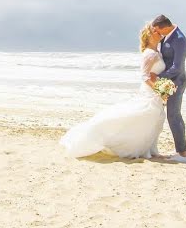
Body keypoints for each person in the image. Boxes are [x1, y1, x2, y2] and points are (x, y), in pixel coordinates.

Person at [59, 24, 168, 159]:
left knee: (154, 119)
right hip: (150, 91)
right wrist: (160, 90)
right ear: (149, 36)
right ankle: (108, 137)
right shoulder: (149, 54)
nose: (158, 32)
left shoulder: (158, 52)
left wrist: (163, 87)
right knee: (144, 116)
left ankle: (151, 151)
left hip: (155, 91)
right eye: (154, 31)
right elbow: (145, 76)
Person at [147, 14, 186, 163]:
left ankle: (183, 153)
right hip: (168, 82)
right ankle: (181, 149)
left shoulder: (178, 39)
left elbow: (177, 67)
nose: (158, 33)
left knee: (173, 116)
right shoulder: (167, 36)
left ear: (165, 27)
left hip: (176, 82)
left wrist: (158, 77)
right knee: (174, 115)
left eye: (158, 30)